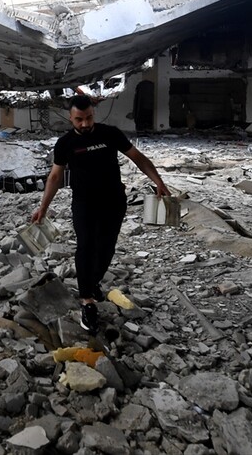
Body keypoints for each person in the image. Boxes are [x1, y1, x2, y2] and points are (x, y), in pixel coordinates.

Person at [30, 94, 170, 332]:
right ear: (70, 117)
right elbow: (55, 177)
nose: (85, 124)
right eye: (79, 120)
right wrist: (43, 207)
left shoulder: (109, 133)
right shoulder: (65, 144)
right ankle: (87, 301)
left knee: (106, 248)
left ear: (93, 113)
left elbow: (138, 158)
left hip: (114, 201)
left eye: (88, 118)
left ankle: (92, 281)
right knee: (85, 245)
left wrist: (158, 180)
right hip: (84, 203)